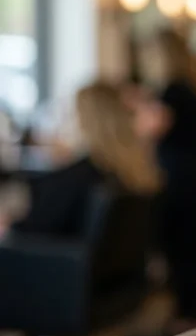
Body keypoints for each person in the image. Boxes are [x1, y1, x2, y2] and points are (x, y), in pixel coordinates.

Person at [0, 82, 161, 239]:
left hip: (53, 261)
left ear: (86, 121)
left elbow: (30, 231)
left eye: (72, 114)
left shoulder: (80, 176)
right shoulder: (135, 173)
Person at [152, 29, 196, 332]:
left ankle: (186, 316)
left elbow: (156, 127)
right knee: (195, 247)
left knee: (181, 248)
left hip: (179, 176)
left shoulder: (173, 90)